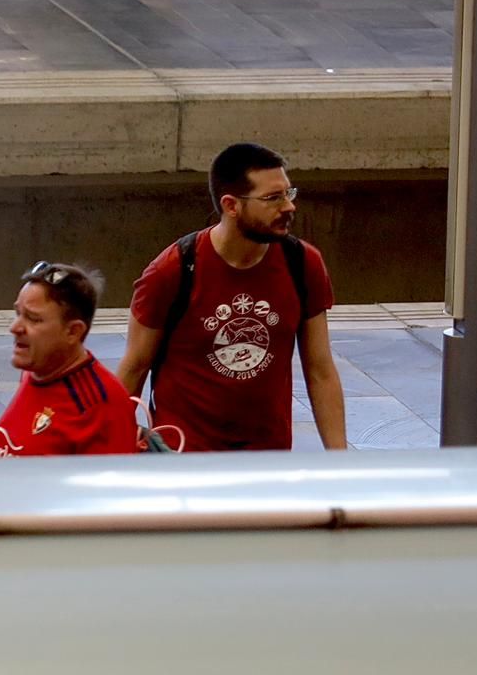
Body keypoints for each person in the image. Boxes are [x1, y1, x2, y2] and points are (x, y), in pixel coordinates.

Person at [116, 142, 346, 452]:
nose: (288, 207)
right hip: (184, 457)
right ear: (231, 205)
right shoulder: (173, 269)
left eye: (288, 194)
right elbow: (134, 366)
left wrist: (340, 459)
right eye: (273, 198)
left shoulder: (303, 263)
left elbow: (320, 370)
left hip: (266, 458)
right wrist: (105, 450)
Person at [0, 260, 138, 457]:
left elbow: (112, 486)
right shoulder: (33, 372)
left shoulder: (101, 407)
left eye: (33, 319)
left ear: (73, 332)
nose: (15, 327)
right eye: (18, 313)